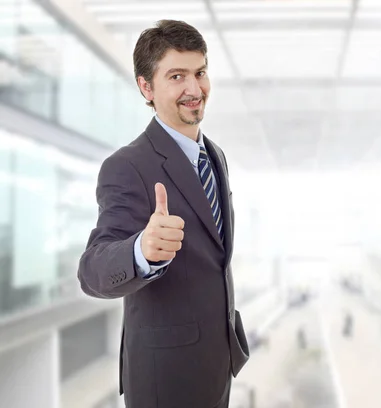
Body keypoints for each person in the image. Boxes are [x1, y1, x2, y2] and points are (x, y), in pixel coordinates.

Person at [77, 20, 249, 408]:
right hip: (165, 377)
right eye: (177, 76)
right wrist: (142, 249)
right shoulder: (126, 166)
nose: (195, 89)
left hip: (217, 363)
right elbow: (91, 272)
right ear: (146, 88)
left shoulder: (214, 155)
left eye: (200, 72)